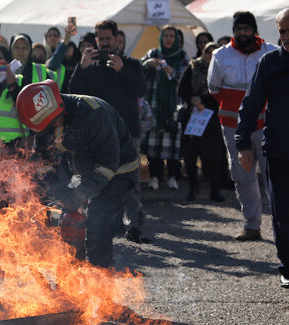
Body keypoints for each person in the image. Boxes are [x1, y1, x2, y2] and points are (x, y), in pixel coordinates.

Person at [16, 80, 139, 268]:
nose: (50, 131)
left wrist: (80, 194)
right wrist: (59, 189)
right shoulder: (46, 122)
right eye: (45, 129)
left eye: (52, 125)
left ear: (61, 107)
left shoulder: (94, 114)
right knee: (70, 226)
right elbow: (44, 162)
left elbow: (108, 164)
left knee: (98, 230)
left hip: (118, 173)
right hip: (83, 171)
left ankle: (101, 285)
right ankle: (73, 280)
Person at [68, 19, 149, 244]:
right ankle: (101, 224)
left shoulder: (130, 63)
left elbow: (140, 90)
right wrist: (81, 69)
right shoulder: (88, 65)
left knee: (131, 180)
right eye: (100, 39)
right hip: (97, 136)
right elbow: (74, 95)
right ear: (96, 40)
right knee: (98, 177)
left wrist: (122, 71)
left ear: (116, 39)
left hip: (127, 133)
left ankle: (134, 227)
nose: (104, 43)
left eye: (108, 39)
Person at [207, 11, 278, 241]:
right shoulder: (220, 55)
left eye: (246, 28)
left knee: (274, 174)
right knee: (242, 175)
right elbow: (214, 89)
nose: (242, 33)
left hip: (268, 125)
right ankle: (251, 226)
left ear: (254, 30)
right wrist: (240, 111)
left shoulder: (272, 52)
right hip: (233, 128)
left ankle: (281, 225)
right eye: (238, 29)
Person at [235, 8, 289, 286]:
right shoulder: (269, 63)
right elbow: (251, 105)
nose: (286, 36)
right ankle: (288, 267)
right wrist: (243, 144)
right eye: (282, 31)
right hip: (280, 151)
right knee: (282, 212)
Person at [140, 25, 188, 191]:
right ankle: (155, 176)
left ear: (176, 39)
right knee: (154, 143)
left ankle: (173, 176)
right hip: (154, 105)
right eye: (165, 36)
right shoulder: (154, 53)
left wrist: (171, 71)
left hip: (173, 108)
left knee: (173, 142)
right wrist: (148, 64)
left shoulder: (181, 56)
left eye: (171, 36)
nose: (168, 39)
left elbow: (185, 76)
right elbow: (139, 69)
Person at [178, 42, 226, 202]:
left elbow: (222, 92)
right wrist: (194, 101)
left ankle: (215, 190)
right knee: (190, 154)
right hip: (193, 114)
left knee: (213, 155)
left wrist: (203, 101)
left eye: (213, 53)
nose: (209, 56)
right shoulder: (193, 66)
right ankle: (193, 186)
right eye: (207, 52)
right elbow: (182, 88)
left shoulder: (222, 69)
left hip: (212, 116)